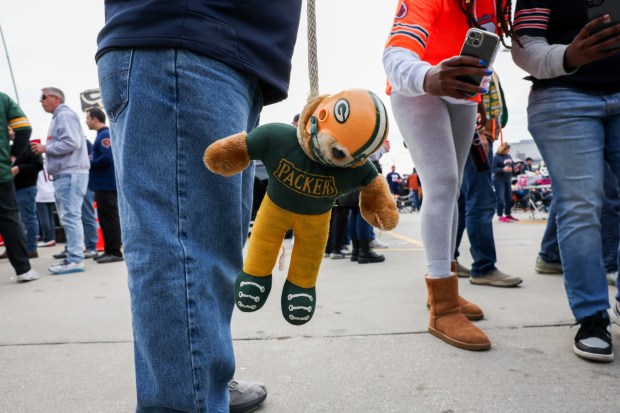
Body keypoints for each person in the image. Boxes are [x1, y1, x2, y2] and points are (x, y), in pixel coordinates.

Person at [96, 2, 302, 412]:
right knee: (186, 249)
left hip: (224, 55)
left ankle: (202, 383)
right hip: (188, 41)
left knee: (209, 247)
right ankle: (187, 400)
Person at [383, 0, 517, 351]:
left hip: (463, 95)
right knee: (440, 183)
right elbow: (395, 54)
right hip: (419, 86)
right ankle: (442, 307)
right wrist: (428, 76)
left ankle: (447, 289)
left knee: (454, 187)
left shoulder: (496, 4)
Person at [512, 1, 620, 362]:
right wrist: (570, 55)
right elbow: (525, 44)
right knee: (581, 205)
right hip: (564, 95)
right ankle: (591, 316)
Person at [31, 87, 90, 275]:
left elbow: (72, 142)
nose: (41, 101)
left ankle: (75, 259)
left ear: (56, 98)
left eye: (43, 97)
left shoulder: (63, 116)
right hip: (68, 174)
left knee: (70, 217)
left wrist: (45, 148)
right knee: (69, 217)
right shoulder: (60, 116)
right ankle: (73, 256)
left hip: (69, 173)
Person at [0, 91, 39, 282]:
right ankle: (23, 270)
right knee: (9, 219)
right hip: (1, 171)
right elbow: (24, 128)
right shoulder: (2, 99)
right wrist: (13, 156)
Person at [85, 107, 123, 264]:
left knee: (109, 218)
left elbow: (107, 158)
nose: (86, 121)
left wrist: (89, 163)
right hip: (102, 185)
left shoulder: (104, 136)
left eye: (87, 118)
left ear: (95, 119)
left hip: (106, 184)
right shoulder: (101, 136)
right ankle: (109, 249)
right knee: (105, 218)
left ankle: (114, 251)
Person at [10, 125, 43, 258]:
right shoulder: (10, 149)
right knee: (13, 221)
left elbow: (38, 165)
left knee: (28, 218)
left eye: (10, 129)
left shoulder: (32, 146)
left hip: (26, 187)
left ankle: (31, 248)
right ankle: (13, 247)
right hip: (12, 189)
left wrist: (19, 168)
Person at [492, 143, 517, 222]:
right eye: (507, 150)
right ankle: (500, 215)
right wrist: (502, 169)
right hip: (499, 180)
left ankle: (508, 214)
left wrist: (515, 169)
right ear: (502, 149)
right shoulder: (496, 157)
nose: (508, 151)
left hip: (508, 179)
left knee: (509, 198)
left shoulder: (508, 156)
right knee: (500, 198)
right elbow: (493, 169)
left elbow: (512, 166)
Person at [35, 161, 56, 247]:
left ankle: (48, 238)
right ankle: (52, 237)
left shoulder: (38, 166)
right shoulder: (49, 164)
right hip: (51, 192)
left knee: (44, 218)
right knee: (50, 217)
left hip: (41, 193)